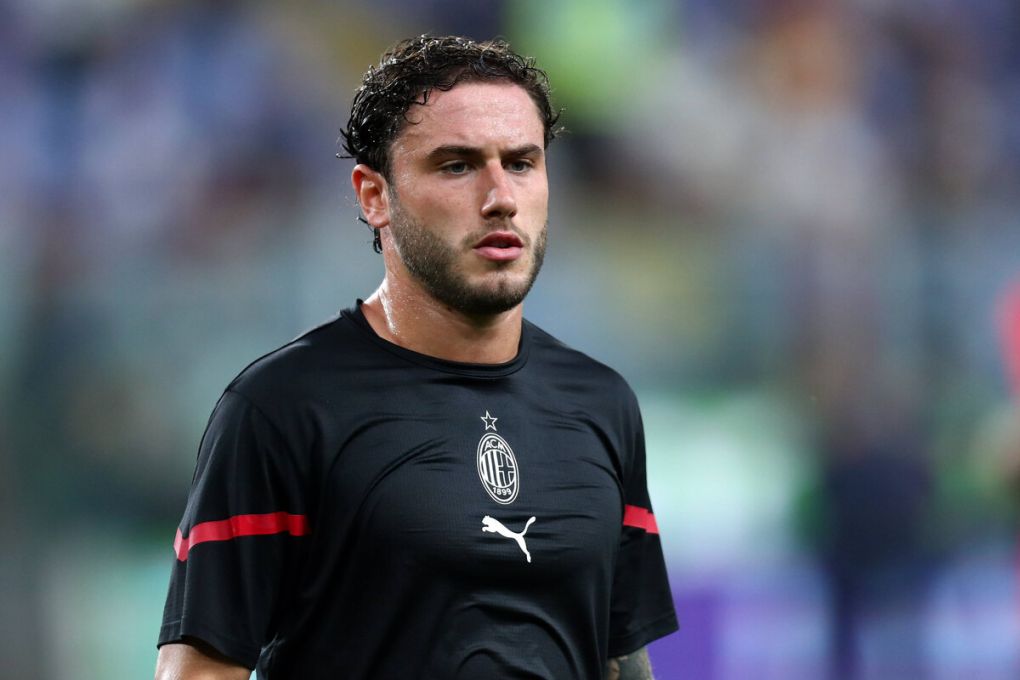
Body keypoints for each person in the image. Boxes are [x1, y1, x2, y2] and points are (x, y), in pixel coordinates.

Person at [154, 35, 678, 680]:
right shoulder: (281, 408)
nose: (500, 197)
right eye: (457, 165)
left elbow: (621, 660)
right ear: (374, 196)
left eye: (521, 162)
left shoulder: (601, 403)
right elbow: (202, 671)